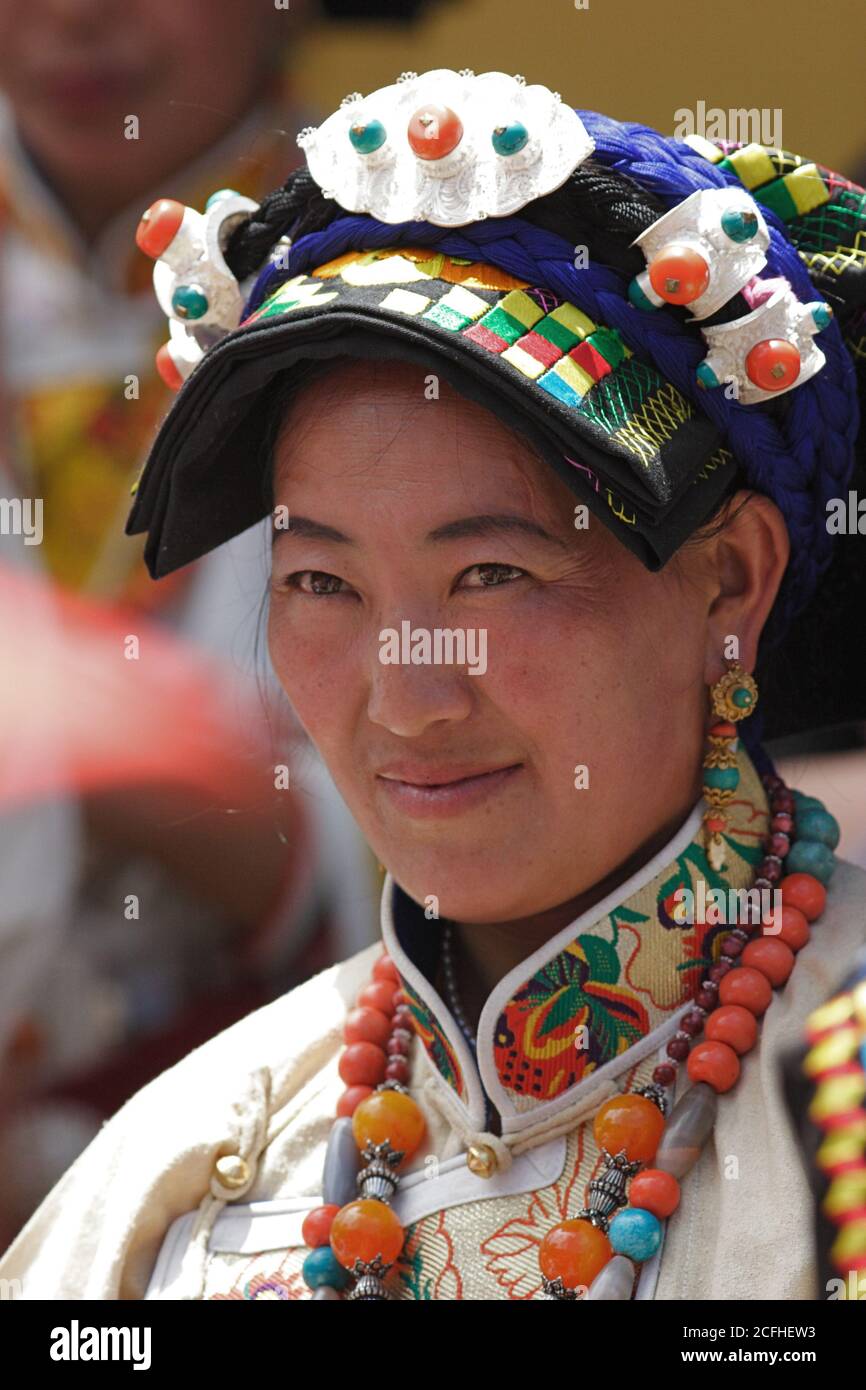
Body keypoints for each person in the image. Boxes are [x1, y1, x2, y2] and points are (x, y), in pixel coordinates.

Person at [1, 65, 865, 1302]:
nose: (405, 700)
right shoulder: (173, 1179)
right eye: (319, 584)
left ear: (727, 582)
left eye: (493, 575)